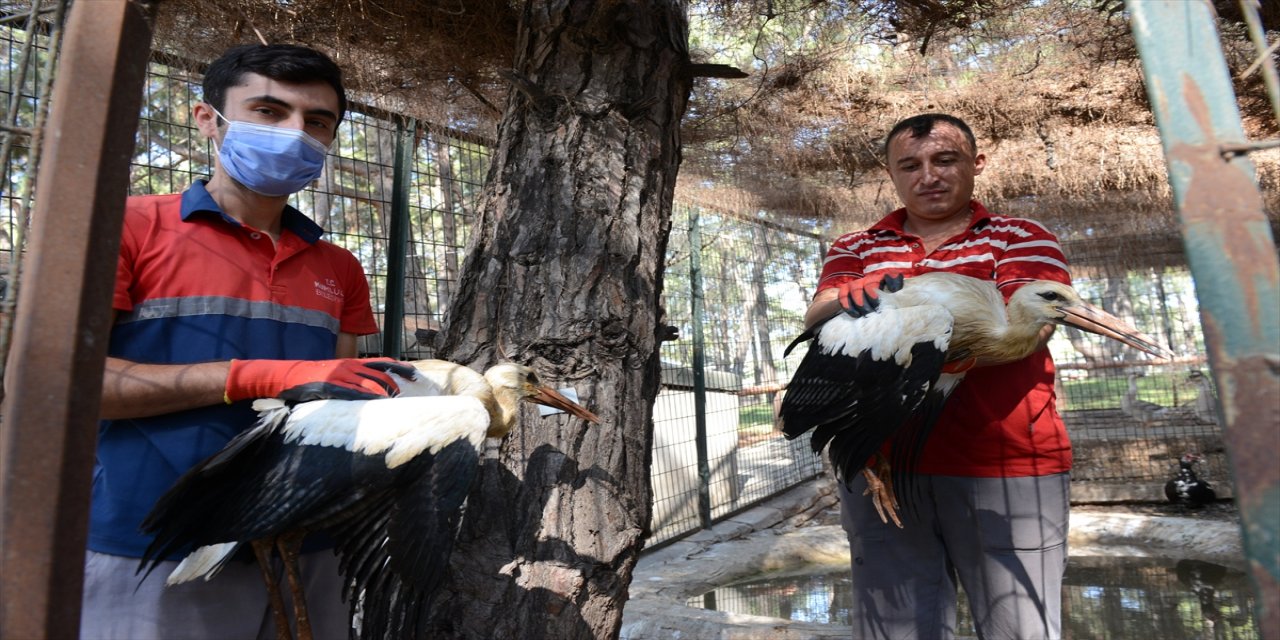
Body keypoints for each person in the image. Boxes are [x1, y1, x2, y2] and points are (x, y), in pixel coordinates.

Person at [81, 44, 400, 640]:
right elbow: (76, 389)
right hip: (154, 546)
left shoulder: (340, 266)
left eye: (317, 122)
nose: (295, 133)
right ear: (208, 119)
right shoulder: (128, 227)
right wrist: (259, 377)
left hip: (306, 543)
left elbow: (337, 403)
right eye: (269, 111)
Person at [805, 113, 1071, 639]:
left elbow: (1029, 331)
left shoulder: (1020, 236)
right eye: (911, 165)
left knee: (1021, 629)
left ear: (977, 163)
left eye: (945, 159)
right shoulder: (857, 247)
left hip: (1008, 465)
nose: (928, 175)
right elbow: (818, 317)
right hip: (879, 459)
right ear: (892, 174)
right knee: (899, 630)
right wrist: (856, 296)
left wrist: (910, 328)